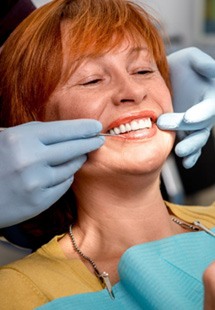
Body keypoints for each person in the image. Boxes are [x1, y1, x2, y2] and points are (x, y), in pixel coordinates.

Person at [0, 1, 215, 309]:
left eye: (143, 69)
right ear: (33, 124)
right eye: (92, 80)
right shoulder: (18, 291)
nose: (133, 91)